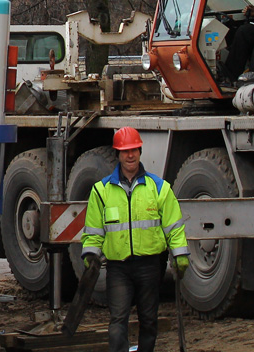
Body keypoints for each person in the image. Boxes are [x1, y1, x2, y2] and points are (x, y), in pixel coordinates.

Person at [82, 127, 189, 352]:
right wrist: (90, 253)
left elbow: (174, 227)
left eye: (134, 150)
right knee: (117, 321)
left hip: (149, 265)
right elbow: (94, 230)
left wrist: (180, 254)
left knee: (149, 321)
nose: (130, 155)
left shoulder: (159, 188)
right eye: (125, 151)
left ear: (140, 152)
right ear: (118, 154)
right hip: (118, 268)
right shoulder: (101, 191)